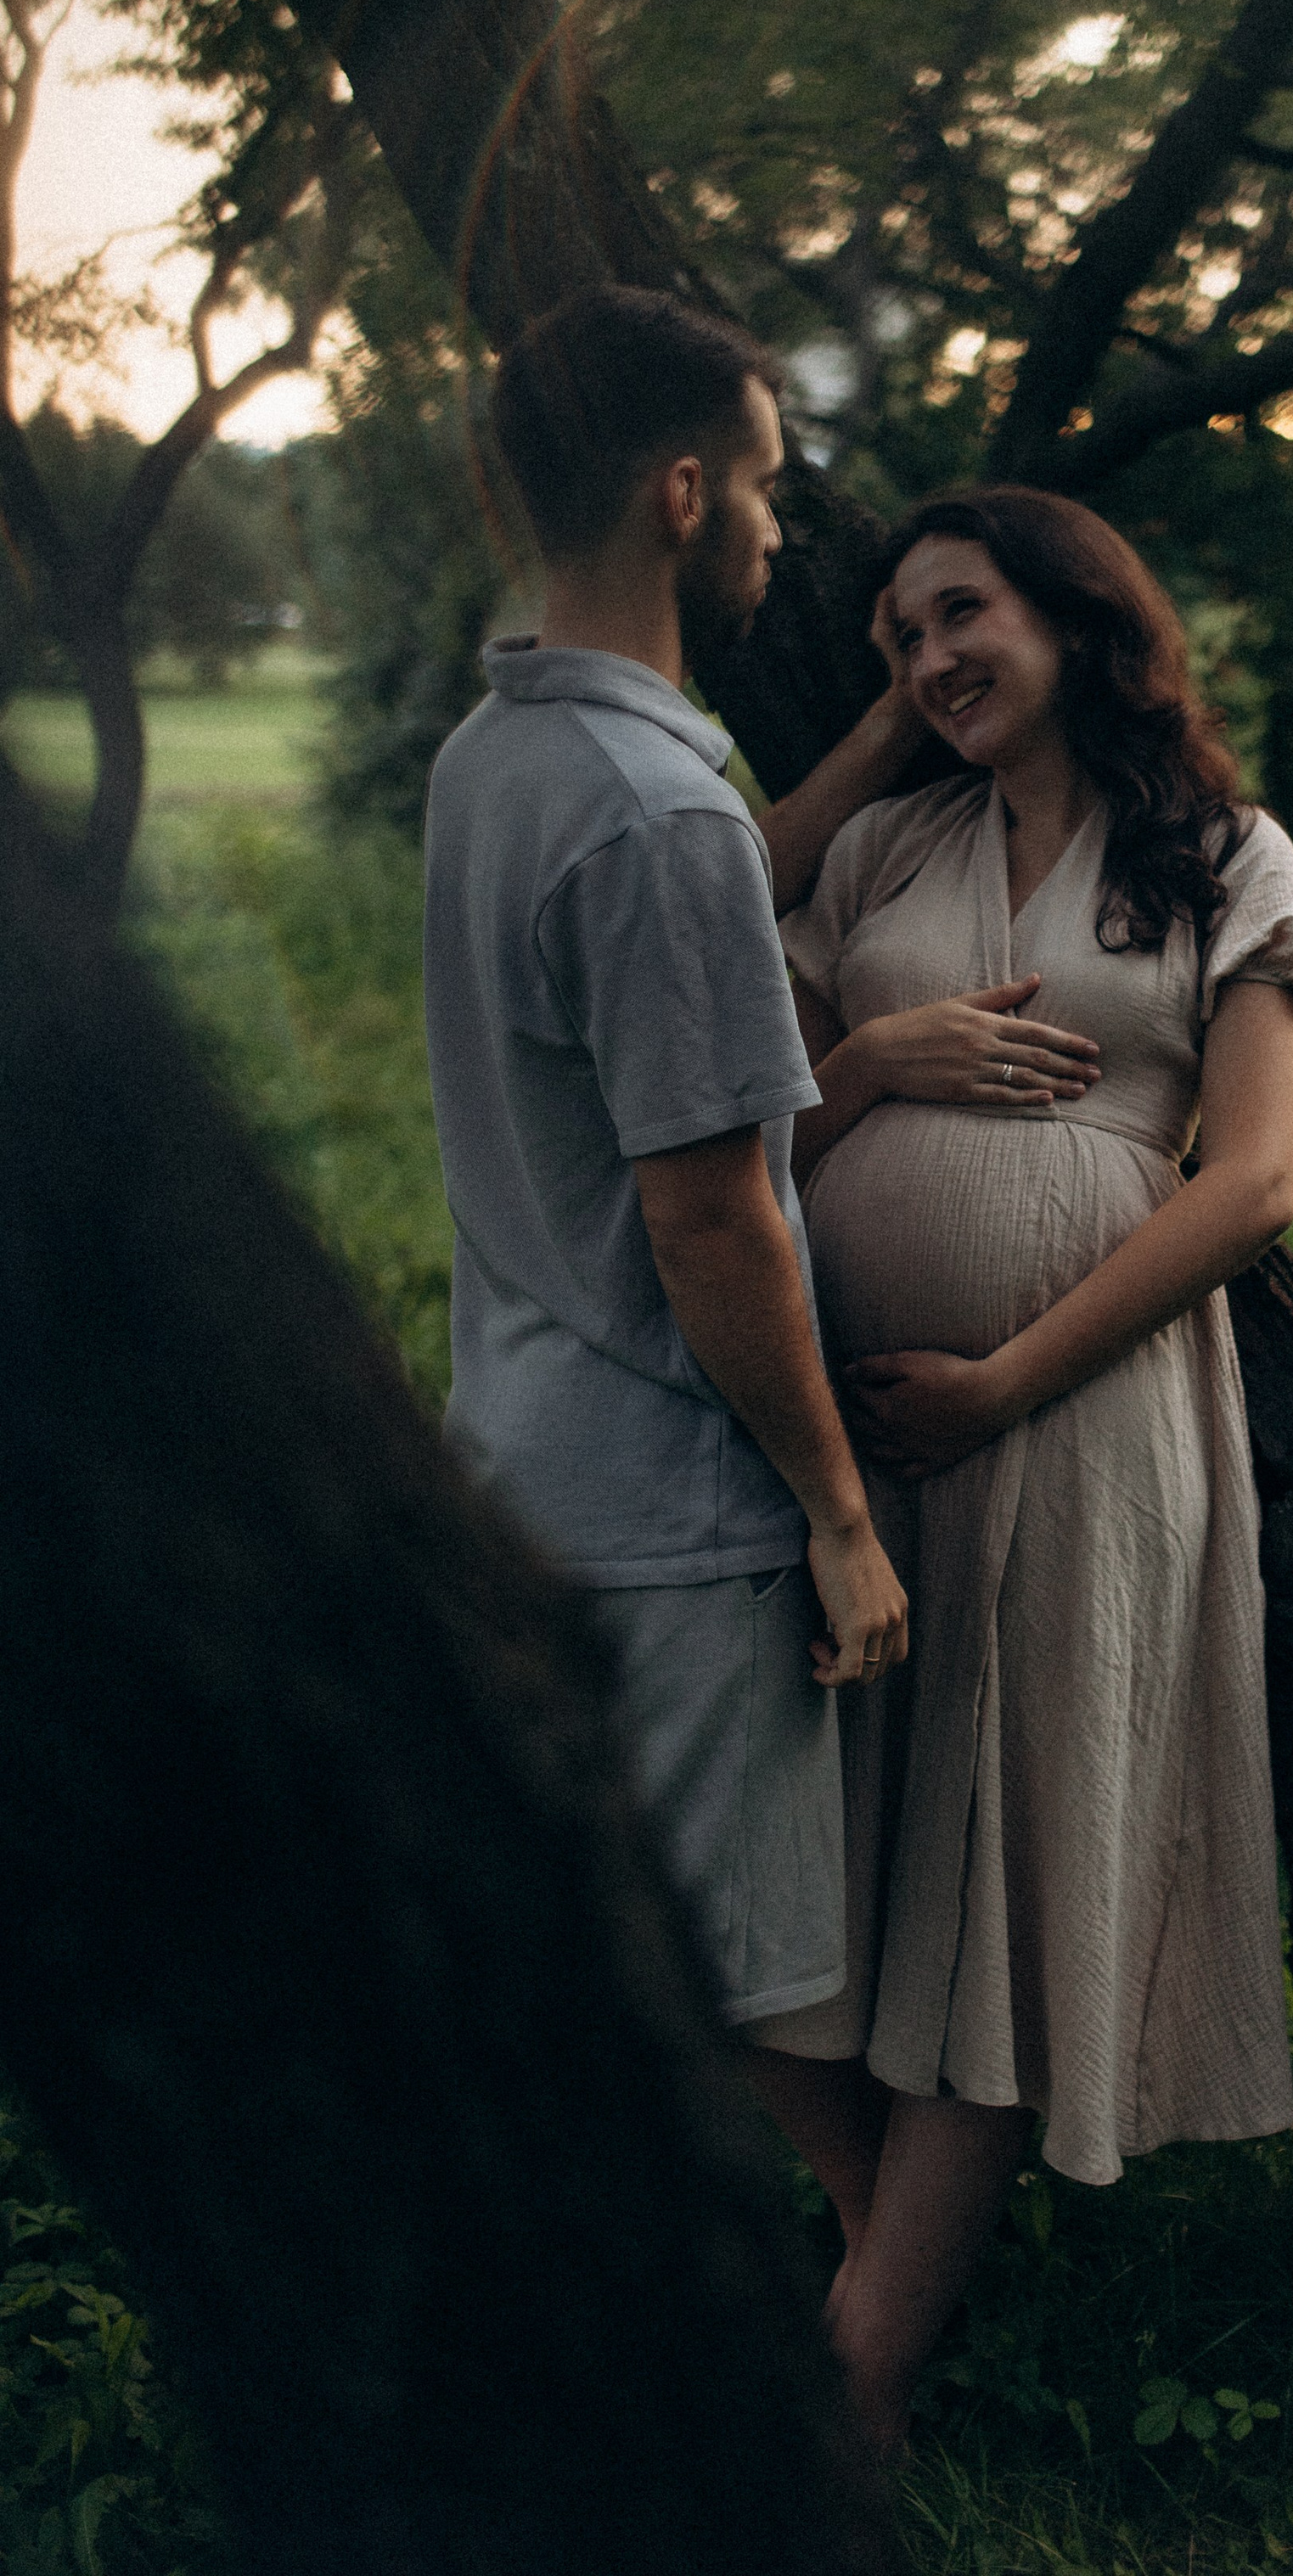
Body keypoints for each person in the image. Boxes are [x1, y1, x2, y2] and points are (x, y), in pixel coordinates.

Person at [751, 486, 1293, 2454]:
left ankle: (853, 2384)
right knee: (814, 1859)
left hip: (1081, 1423)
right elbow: (739, 1132)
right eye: (898, 640)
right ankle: (887, 2268)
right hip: (844, 1446)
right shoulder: (880, 850)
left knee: (1004, 1863)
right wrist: (875, 1062)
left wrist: (1001, 1380)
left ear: (1079, 615)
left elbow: (1250, 1183)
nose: (931, 661)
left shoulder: (1223, 858)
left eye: (960, 616)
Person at [422, 283, 916, 2051]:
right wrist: (838, 1516)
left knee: (598, 1993)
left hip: (529, 1459)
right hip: (680, 1515)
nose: (781, 528)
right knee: (712, 2024)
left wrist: (873, 748)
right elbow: (710, 1217)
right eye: (766, 487)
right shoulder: (656, 814)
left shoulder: (499, 759)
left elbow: (673, 922)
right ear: (683, 495)